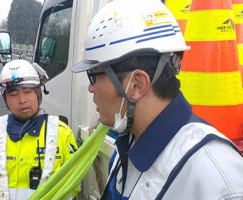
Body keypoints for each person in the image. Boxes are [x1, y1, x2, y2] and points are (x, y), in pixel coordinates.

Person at [71, 0, 243, 199]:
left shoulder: (214, 177)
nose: (91, 88)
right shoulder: (125, 151)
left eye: (93, 76)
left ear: (136, 84)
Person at [0, 59, 78, 200]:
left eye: (27, 92)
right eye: (13, 94)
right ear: (5, 98)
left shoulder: (62, 133)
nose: (22, 100)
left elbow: (73, 183)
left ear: (39, 92)